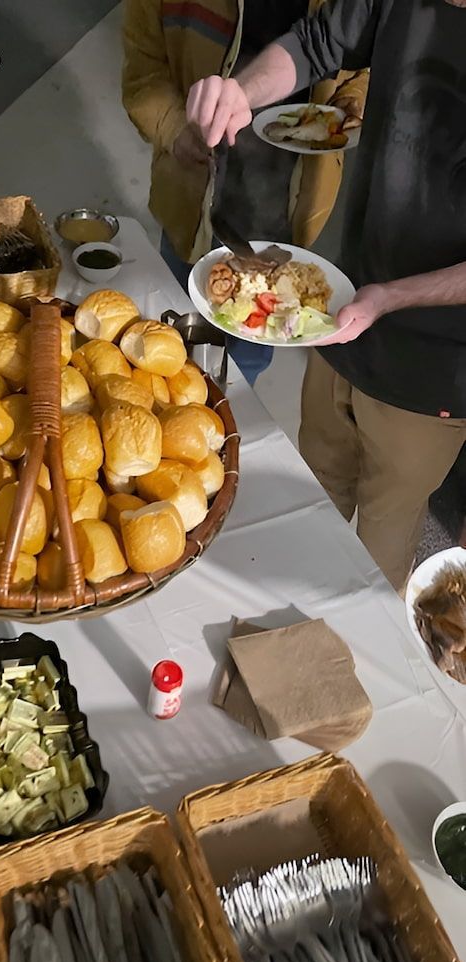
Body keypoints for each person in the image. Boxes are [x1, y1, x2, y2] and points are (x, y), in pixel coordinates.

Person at [186, 0, 466, 592]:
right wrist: (243, 91)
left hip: (434, 371)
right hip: (341, 314)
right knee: (310, 506)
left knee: (373, 561)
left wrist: (389, 297)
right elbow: (316, 42)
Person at [121, 0, 367, 386]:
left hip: (290, 201)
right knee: (164, 340)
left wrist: (348, 108)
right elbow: (143, 73)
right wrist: (174, 130)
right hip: (192, 194)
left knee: (245, 363)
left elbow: (366, 66)